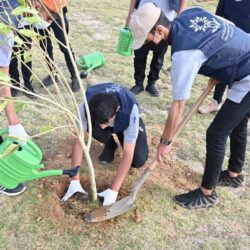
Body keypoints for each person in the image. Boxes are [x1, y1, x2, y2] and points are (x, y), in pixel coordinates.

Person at [129, 3, 250, 209]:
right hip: (245, 57)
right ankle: (233, 175)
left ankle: (207, 193)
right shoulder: (191, 13)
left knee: (216, 134)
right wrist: (222, 61)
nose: (150, 43)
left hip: (246, 77)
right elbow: (227, 26)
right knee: (237, 123)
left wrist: (165, 142)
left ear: (160, 30)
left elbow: (177, 106)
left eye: (149, 39)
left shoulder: (184, 55)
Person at [0, 0, 65, 195]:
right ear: (36, 5)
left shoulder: (14, 8)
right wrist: (14, 122)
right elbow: (2, 75)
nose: (45, 22)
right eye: (46, 17)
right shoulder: (7, 16)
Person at [62, 82, 149, 206]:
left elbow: (128, 154)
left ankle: (119, 134)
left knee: (138, 159)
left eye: (106, 122)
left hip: (125, 122)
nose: (103, 126)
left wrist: (114, 190)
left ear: (117, 110)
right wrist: (74, 180)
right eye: (100, 122)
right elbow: (78, 142)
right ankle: (110, 143)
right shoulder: (85, 107)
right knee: (96, 129)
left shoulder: (130, 112)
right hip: (103, 116)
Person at [126, 0, 187, 97]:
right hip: (143, 16)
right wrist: (130, 12)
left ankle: (151, 84)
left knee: (159, 57)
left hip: (166, 18)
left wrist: (180, 15)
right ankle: (138, 84)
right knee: (139, 55)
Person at [198, 0, 250, 114]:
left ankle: (232, 107)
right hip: (227, 39)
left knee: (239, 75)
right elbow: (217, 17)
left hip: (246, 43)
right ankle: (216, 101)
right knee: (222, 69)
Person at [35, 3, 80, 92]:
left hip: (57, 13)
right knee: (45, 47)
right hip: (39, 15)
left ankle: (74, 76)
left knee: (65, 47)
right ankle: (53, 75)